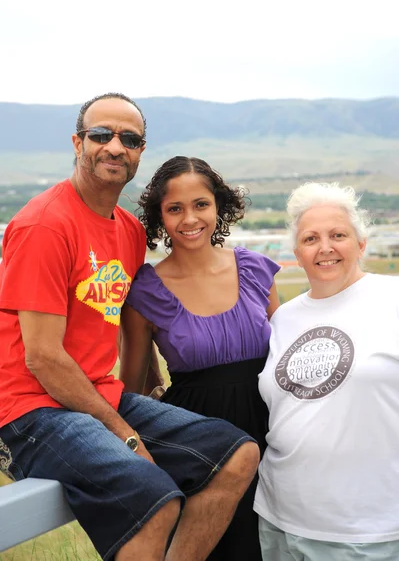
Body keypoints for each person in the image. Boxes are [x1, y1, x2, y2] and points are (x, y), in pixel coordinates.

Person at [0, 94, 260, 561]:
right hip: (30, 406)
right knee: (150, 497)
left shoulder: (128, 230)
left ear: (141, 151)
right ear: (78, 142)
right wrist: (126, 435)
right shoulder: (45, 225)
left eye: (130, 138)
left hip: (98, 394)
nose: (115, 147)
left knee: (237, 455)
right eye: (101, 135)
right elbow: (42, 357)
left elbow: (114, 319)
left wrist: (149, 388)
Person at [120, 156, 280, 560]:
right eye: (175, 208)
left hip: (274, 432)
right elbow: (130, 384)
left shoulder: (258, 270)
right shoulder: (145, 290)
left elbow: (290, 360)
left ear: (219, 206)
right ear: (160, 216)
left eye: (201, 204)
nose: (190, 218)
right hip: (199, 444)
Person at [254, 182, 399, 561]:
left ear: (361, 243)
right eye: (310, 238)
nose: (325, 247)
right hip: (279, 517)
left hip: (366, 528)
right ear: (298, 253)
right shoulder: (284, 317)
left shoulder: (392, 299)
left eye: (338, 235)